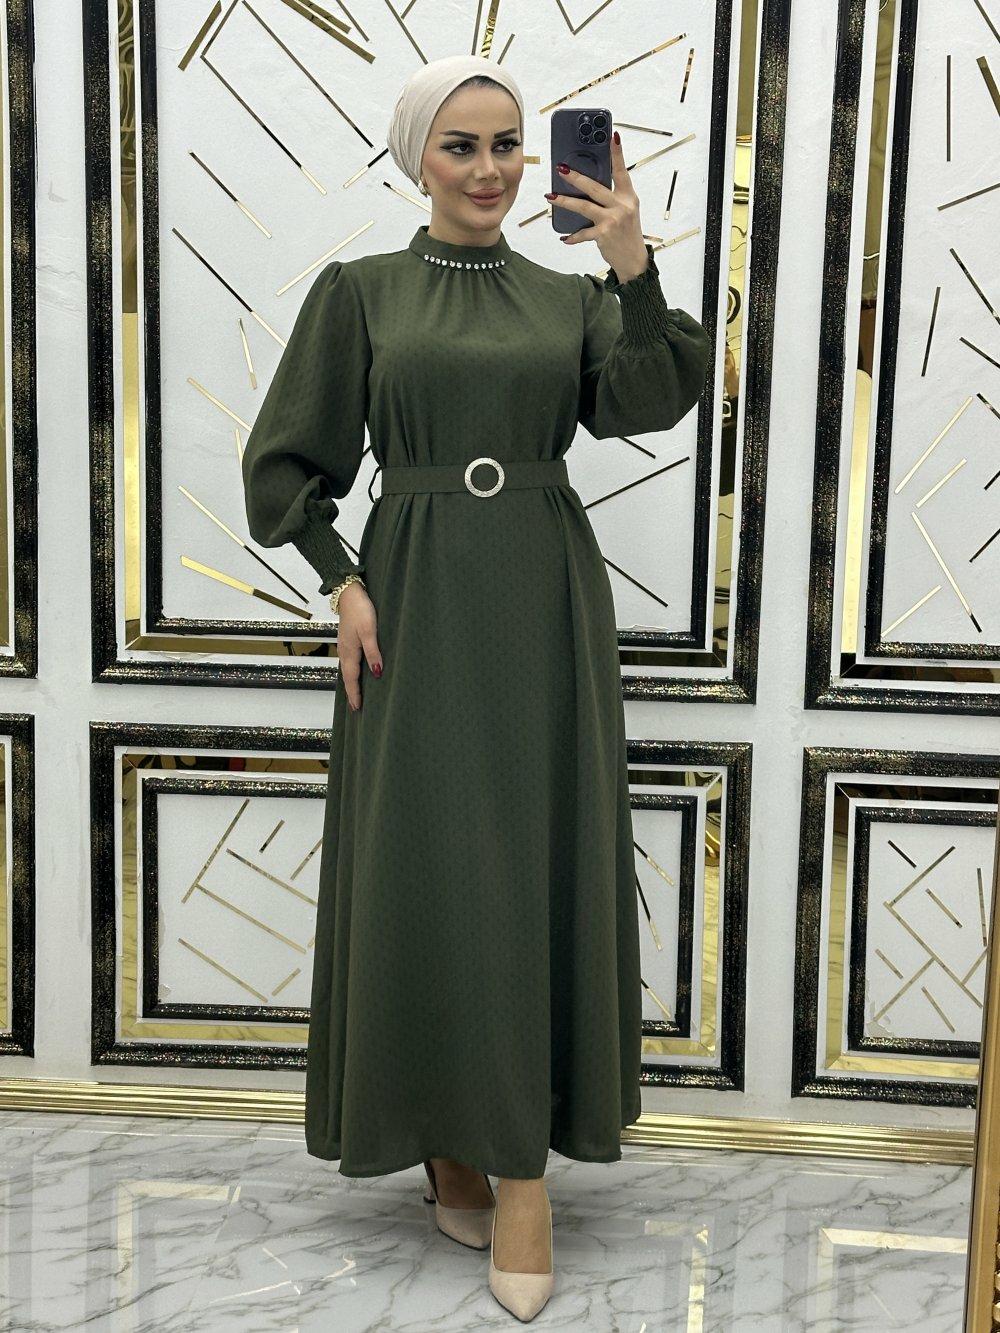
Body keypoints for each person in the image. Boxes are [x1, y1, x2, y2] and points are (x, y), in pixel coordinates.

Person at [241, 53, 712, 1323]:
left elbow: (652, 398)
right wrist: (342, 580)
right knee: (428, 861)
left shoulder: (568, 298)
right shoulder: (361, 292)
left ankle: (521, 1179)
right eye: (463, 145)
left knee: (524, 859)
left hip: (543, 594)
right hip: (410, 594)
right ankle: (445, 1135)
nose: (493, 168)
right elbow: (285, 460)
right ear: (419, 160)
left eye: (510, 144)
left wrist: (631, 262)